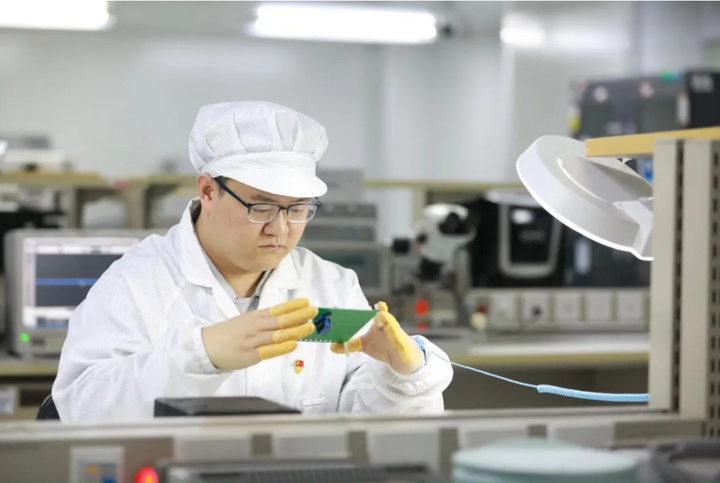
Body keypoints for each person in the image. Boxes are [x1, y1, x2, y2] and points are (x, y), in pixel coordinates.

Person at [52, 101, 453, 422]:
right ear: (208, 191)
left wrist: (401, 378)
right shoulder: (137, 284)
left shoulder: (331, 285)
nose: (280, 229)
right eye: (261, 207)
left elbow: (370, 433)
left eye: (298, 209)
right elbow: (82, 408)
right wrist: (198, 355)